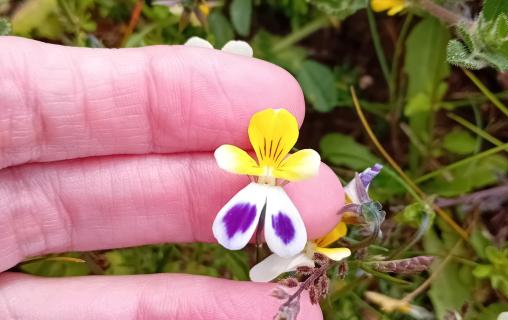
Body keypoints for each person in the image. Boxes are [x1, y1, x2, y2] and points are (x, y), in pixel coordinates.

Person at [0, 36, 344, 319]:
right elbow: (230, 157)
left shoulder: (275, 167)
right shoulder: (257, 162)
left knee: (274, 237)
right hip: (256, 184)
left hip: (259, 186)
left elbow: (291, 163)